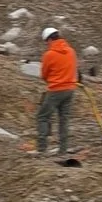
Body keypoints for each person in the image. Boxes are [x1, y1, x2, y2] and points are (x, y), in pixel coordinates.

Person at [35, 26, 79, 161]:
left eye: (46, 41)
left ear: (49, 39)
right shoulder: (71, 51)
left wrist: (53, 80)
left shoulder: (49, 54)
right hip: (70, 90)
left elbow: (44, 75)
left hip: (55, 90)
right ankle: (63, 150)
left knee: (42, 117)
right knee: (63, 120)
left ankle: (42, 149)